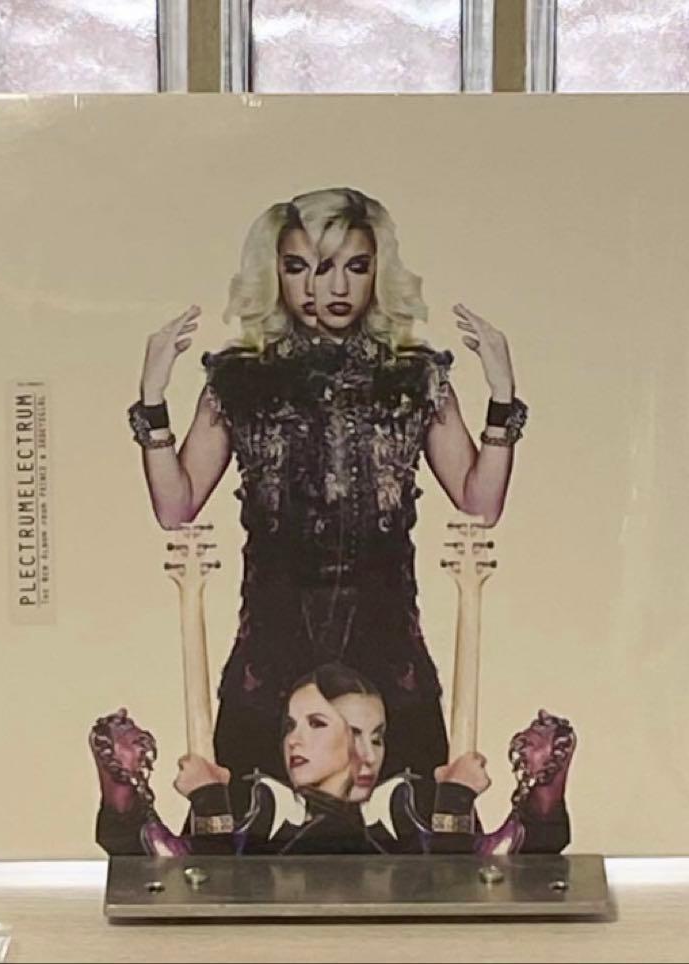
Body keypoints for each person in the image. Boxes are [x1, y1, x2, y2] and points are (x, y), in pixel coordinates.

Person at [128, 187, 528, 816]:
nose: (333, 286)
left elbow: (480, 503)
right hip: (272, 644)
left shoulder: (414, 374)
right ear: (277, 274)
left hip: (388, 642)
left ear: (377, 272)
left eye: (355, 265)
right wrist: (152, 400)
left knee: (429, 833)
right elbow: (176, 508)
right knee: (235, 831)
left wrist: (502, 396)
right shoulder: (240, 377)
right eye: (306, 267)